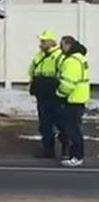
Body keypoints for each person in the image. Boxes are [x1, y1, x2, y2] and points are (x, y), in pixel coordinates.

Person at [28, 30, 65, 158]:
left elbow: (63, 74)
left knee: (59, 122)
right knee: (45, 124)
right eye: (41, 41)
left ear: (51, 42)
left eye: (43, 41)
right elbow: (32, 71)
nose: (41, 43)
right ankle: (48, 150)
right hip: (42, 95)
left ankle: (67, 147)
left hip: (55, 95)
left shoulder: (59, 55)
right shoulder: (39, 55)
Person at [55, 35, 90, 168]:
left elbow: (68, 83)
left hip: (72, 100)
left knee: (73, 130)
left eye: (62, 44)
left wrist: (59, 94)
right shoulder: (80, 58)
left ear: (68, 45)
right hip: (79, 99)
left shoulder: (71, 61)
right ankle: (74, 155)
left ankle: (77, 156)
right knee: (74, 128)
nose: (60, 47)